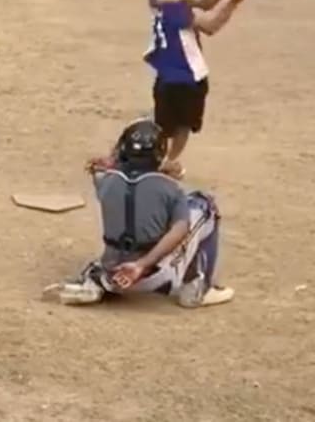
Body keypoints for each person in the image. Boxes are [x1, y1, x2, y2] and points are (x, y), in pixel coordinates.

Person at [44, 119, 234, 308]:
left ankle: (96, 280)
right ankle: (196, 289)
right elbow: (180, 228)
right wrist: (141, 264)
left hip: (114, 269)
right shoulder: (171, 189)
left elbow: (108, 168)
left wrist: (112, 161)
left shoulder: (103, 180)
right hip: (154, 275)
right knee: (204, 205)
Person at [142, 0, 247, 177]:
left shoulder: (158, 0)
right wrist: (233, 2)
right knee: (183, 125)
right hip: (188, 76)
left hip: (165, 77)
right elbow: (210, 25)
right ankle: (168, 162)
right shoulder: (177, 7)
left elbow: (202, 1)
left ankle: (156, 158)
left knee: (164, 124)